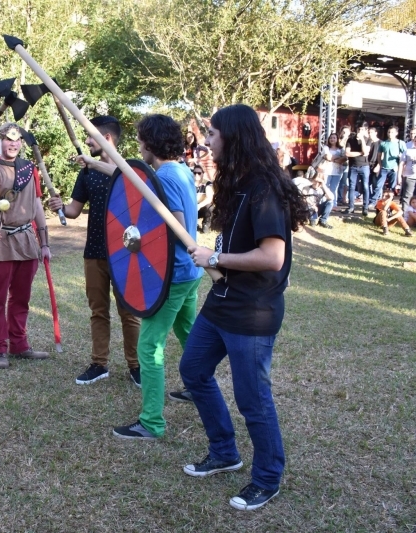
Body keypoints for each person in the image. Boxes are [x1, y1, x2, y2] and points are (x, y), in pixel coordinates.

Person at [182, 104, 309, 511]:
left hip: (252, 311)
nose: (207, 141)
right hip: (222, 301)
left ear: (233, 137)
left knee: (253, 399)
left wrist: (214, 259)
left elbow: (272, 257)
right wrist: (213, 254)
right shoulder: (235, 182)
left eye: (214, 134)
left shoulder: (263, 188)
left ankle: (267, 477)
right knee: (193, 371)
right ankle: (224, 451)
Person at [111, 114, 203, 441]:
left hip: (173, 275)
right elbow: (135, 186)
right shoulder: (181, 170)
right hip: (191, 272)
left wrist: (138, 240)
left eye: (139, 141)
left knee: (149, 347)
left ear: (150, 143)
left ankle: (152, 422)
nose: (138, 146)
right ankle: (197, 388)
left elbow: (175, 227)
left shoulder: (165, 176)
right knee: (189, 332)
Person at [47, 116, 141, 386]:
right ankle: (99, 364)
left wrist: (95, 164)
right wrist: (60, 207)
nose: (87, 141)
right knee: (98, 311)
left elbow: (134, 184)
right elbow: (74, 211)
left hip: (125, 252)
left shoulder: (130, 168)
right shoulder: (87, 172)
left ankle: (136, 367)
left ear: (107, 138)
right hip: (95, 252)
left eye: (91, 136)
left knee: (129, 312)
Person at [0, 123, 51, 369]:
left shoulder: (29, 169)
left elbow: (37, 206)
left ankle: (19, 345)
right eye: (9, 139)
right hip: (1, 239)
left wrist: (45, 242)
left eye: (18, 140)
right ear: (0, 140)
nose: (13, 144)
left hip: (27, 240)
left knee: (22, 297)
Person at [344, 123, 371, 216]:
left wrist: (362, 139)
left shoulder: (368, 140)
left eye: (362, 130)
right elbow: (347, 153)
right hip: (353, 166)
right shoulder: (350, 139)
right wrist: (361, 152)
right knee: (351, 186)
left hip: (364, 166)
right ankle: (351, 207)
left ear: (366, 131)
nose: (360, 131)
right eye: (359, 129)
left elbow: (366, 152)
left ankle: (365, 208)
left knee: (365, 186)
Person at [376, 126, 405, 206]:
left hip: (394, 168)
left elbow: (405, 156)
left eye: (392, 132)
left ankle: (390, 203)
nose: (390, 134)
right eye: (389, 132)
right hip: (384, 167)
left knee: (392, 187)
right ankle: (375, 201)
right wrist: (380, 164)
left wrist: (400, 158)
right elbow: (379, 155)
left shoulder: (400, 143)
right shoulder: (384, 143)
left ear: (396, 133)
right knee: (378, 185)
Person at [322, 132, 345, 201]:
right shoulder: (326, 147)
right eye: (331, 138)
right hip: (327, 171)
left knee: (334, 188)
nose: (332, 139)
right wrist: (338, 158)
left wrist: (333, 159)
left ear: (337, 139)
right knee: (325, 187)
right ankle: (324, 201)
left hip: (337, 171)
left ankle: (333, 203)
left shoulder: (341, 149)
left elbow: (344, 158)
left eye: (334, 138)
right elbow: (327, 157)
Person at [194, 164, 214, 233]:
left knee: (210, 207)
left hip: (201, 208)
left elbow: (209, 198)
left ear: (203, 174)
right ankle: (194, 224)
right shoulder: (189, 183)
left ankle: (206, 225)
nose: (197, 175)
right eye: (195, 173)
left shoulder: (207, 184)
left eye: (199, 173)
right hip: (191, 208)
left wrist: (199, 206)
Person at [400, 126, 416, 208]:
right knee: (407, 197)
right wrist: (400, 175)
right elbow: (402, 162)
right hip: (409, 176)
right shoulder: (407, 148)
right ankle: (406, 217)